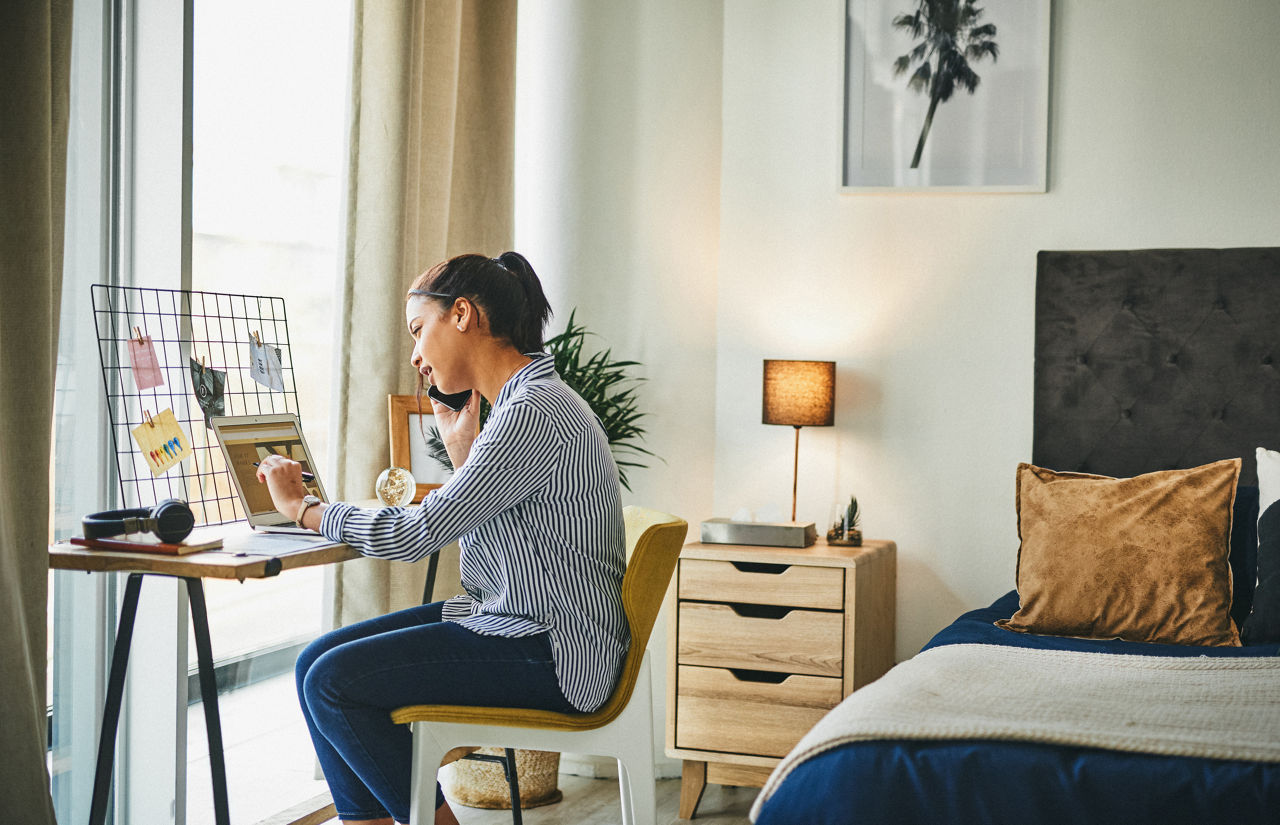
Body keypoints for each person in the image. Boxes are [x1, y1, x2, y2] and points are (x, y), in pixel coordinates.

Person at [256, 252, 628, 825]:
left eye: (417, 330)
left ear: (461, 314)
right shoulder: (527, 405)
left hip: (554, 652)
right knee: (314, 664)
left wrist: (302, 508)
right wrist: (465, 458)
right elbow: (512, 534)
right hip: (523, 625)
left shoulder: (533, 412)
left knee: (334, 681)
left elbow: (419, 534)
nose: (415, 355)